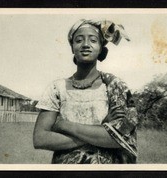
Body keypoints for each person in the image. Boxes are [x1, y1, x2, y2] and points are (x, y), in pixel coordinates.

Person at [33, 19, 138, 164]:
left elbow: (119, 138)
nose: (86, 45)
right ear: (72, 48)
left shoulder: (115, 86)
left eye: (93, 40)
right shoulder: (57, 88)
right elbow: (40, 138)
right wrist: (100, 130)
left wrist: (64, 126)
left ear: (101, 48)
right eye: (79, 40)